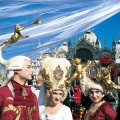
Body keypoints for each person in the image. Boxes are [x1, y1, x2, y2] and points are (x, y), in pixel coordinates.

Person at [0, 43, 40, 119]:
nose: (32, 70)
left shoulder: (33, 96)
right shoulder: (2, 93)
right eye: (28, 67)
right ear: (16, 69)